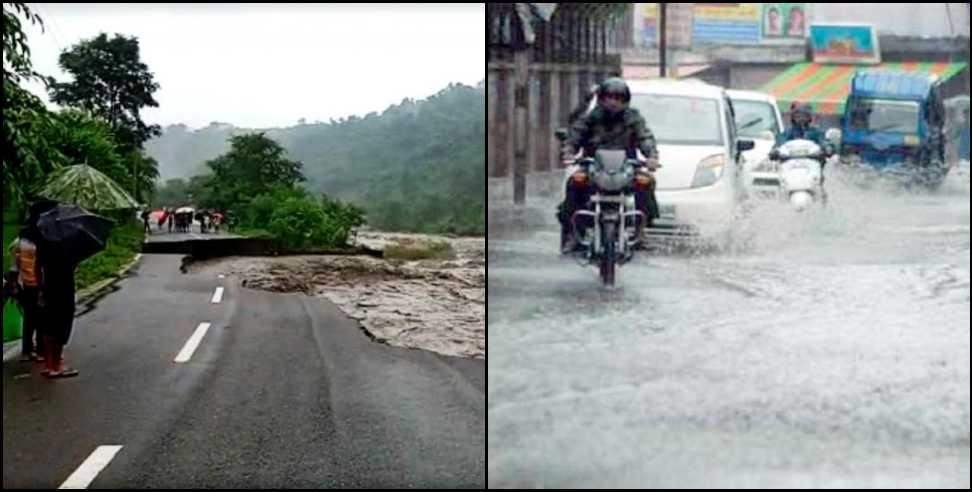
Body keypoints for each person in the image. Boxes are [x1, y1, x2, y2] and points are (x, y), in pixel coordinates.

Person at [558, 77, 660, 254]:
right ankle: (574, 233)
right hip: (593, 168)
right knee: (575, 182)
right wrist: (568, 151)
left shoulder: (634, 118)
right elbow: (575, 135)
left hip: (626, 168)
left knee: (646, 182)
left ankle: (641, 231)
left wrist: (651, 156)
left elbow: (645, 137)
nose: (613, 102)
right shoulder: (590, 118)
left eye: (619, 98)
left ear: (625, 101)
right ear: (602, 99)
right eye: (609, 97)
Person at [9, 221, 45, 363]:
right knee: (41, 317)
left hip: (25, 284)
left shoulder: (18, 243)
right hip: (39, 285)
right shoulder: (41, 242)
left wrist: (14, 285)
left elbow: (14, 266)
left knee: (29, 318)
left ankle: (27, 350)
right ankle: (40, 349)